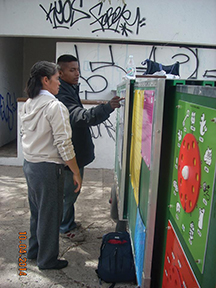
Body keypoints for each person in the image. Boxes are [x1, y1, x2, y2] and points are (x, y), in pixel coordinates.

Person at [20, 61, 82, 270]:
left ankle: (33, 251)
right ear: (45, 80)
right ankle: (47, 260)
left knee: (37, 212)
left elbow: (24, 134)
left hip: (30, 164)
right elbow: (64, 144)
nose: (59, 84)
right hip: (47, 168)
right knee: (50, 215)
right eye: (56, 79)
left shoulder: (29, 103)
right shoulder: (55, 106)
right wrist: (75, 172)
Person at [56, 54, 123, 241]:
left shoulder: (70, 88)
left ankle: (68, 221)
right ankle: (64, 227)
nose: (77, 73)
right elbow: (80, 117)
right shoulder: (61, 94)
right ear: (60, 73)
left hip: (76, 153)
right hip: (68, 155)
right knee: (68, 194)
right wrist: (107, 107)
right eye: (72, 70)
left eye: (78, 69)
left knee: (72, 193)